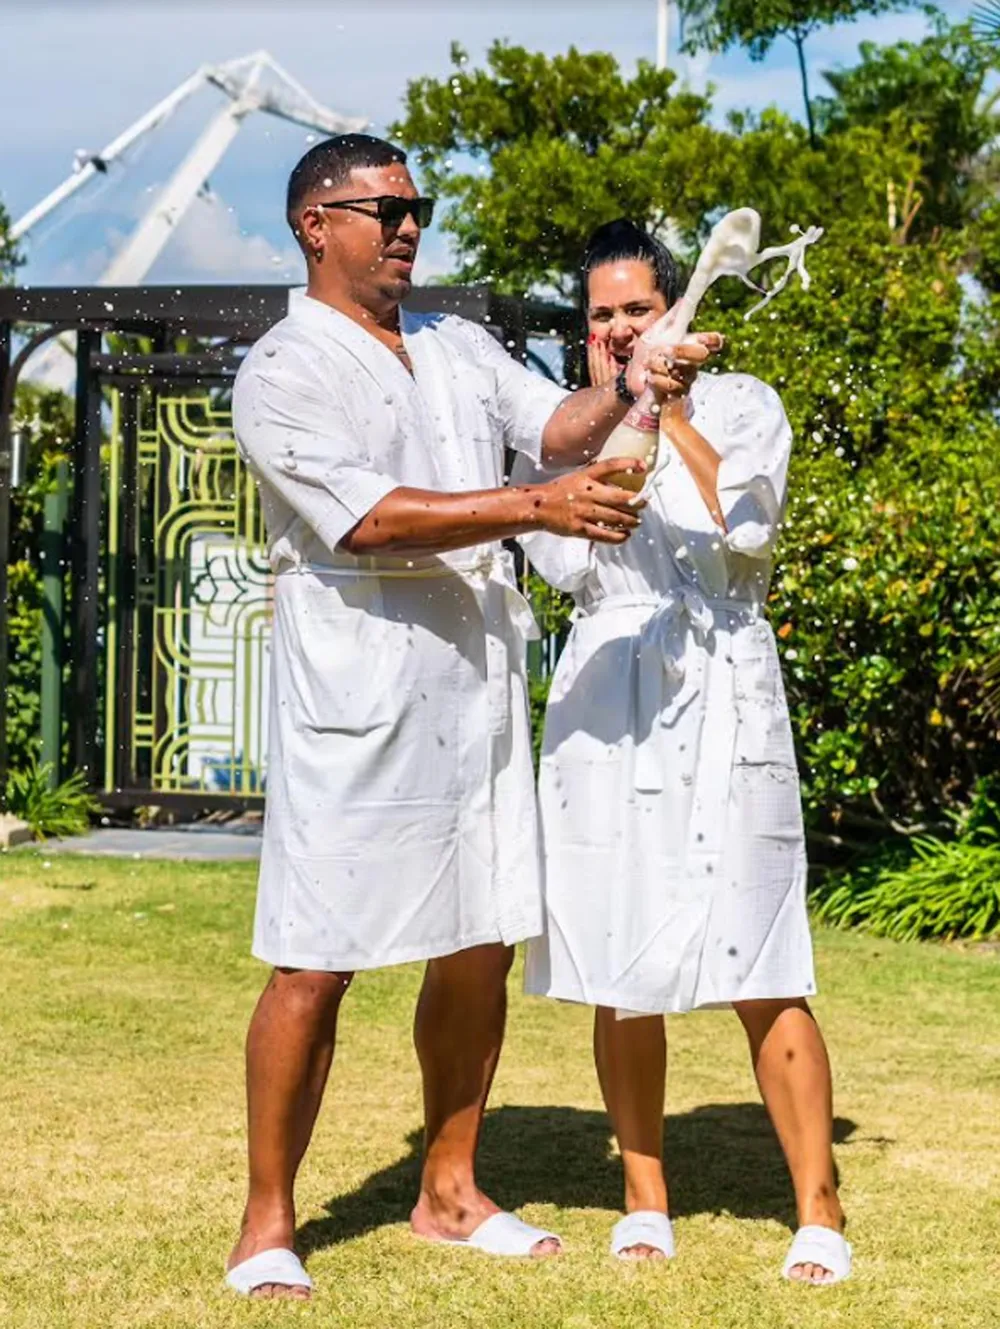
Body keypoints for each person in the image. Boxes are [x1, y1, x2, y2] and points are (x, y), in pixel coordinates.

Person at [225, 141, 716, 1299]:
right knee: (314, 960)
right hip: (357, 693)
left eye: (417, 207)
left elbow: (560, 426)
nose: (408, 226)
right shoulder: (281, 370)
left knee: (480, 941)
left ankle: (449, 1192)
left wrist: (636, 381)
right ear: (314, 224)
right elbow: (367, 520)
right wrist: (536, 508)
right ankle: (266, 1220)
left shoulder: (454, 344)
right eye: (383, 208)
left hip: (479, 688)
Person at [518, 219, 851, 1284]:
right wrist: (628, 415)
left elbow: (743, 526)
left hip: (727, 692)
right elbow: (571, 557)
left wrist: (675, 410)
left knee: (764, 955)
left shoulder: (746, 404)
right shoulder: (564, 432)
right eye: (601, 315)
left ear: (674, 311)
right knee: (621, 961)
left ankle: (819, 1207)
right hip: (610, 698)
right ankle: (644, 1196)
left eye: (638, 310)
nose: (620, 328)